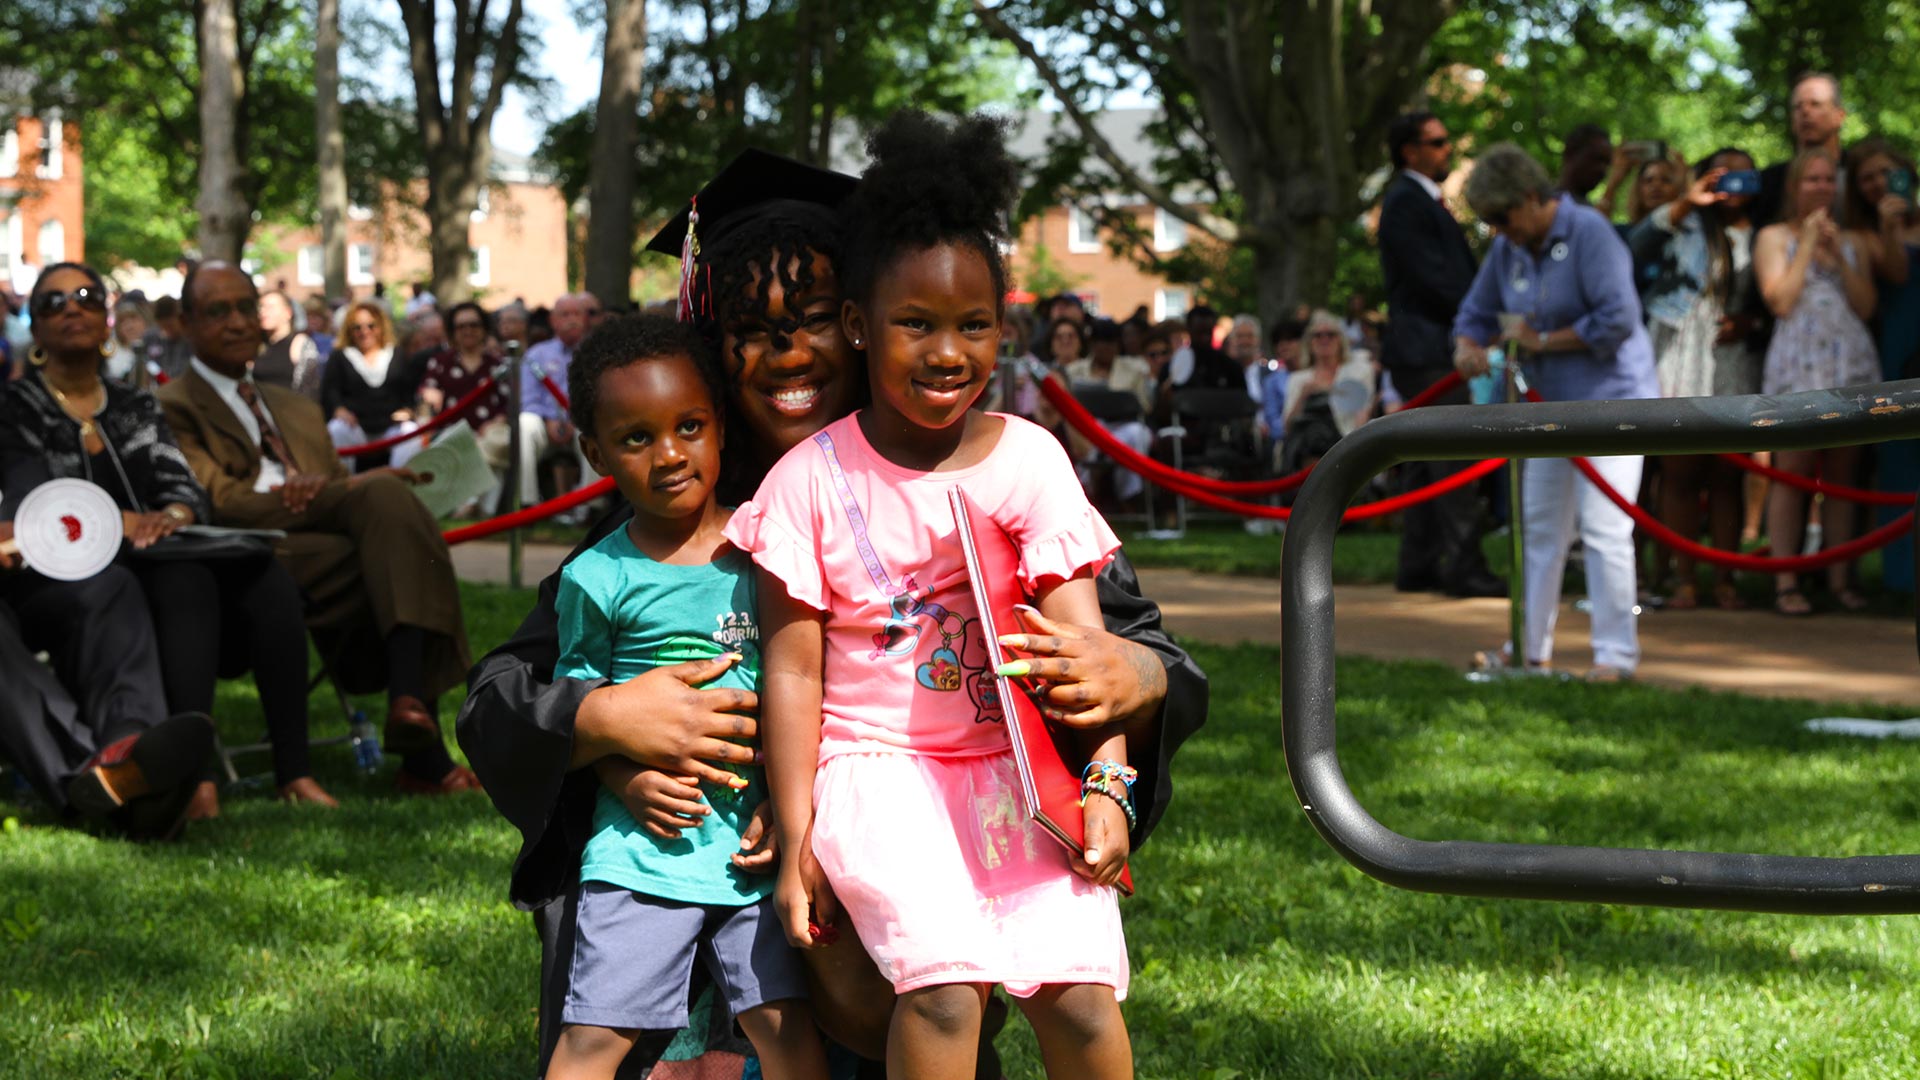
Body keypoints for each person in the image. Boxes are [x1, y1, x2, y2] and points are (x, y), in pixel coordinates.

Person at [457, 146, 1205, 1079]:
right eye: (752, 329)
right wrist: (601, 727)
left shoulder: (987, 473)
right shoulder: (666, 518)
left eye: (814, 322)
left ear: (858, 325)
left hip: (907, 891)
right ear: (709, 344)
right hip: (689, 881)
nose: (792, 354)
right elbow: (499, 696)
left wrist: (1134, 677)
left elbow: (1130, 643)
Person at [730, 109, 1132, 1080]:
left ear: (1006, 328)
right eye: (915, 324)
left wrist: (1109, 777)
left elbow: (1087, 653)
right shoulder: (810, 482)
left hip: (1016, 771)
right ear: (862, 326)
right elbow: (794, 672)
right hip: (879, 773)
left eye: (973, 325)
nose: (945, 352)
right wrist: (796, 837)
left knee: (1078, 993)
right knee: (945, 988)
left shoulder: (1029, 460)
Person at [546, 314, 827, 1080]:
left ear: (721, 429)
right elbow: (581, 709)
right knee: (594, 1040)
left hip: (753, 858)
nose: (670, 454)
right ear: (594, 452)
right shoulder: (594, 579)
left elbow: (807, 682)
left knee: (788, 1032)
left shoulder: (766, 549)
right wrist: (624, 777)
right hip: (642, 858)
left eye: (690, 426)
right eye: (636, 438)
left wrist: (786, 800)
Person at [1, 262, 336, 812]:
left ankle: (291, 769)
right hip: (63, 574)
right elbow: (33, 500)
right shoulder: (15, 409)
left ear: (107, 318)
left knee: (261, 574)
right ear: (34, 327)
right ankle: (174, 774)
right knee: (163, 582)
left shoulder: (134, 404)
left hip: (155, 552)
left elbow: (179, 484)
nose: (72, 309)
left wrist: (174, 513)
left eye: (85, 296)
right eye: (53, 302)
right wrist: (119, 520)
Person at [157, 262, 478, 794]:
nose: (238, 323)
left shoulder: (295, 406)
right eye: (219, 312)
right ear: (188, 323)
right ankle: (418, 738)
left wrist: (336, 491)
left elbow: (339, 496)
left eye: (246, 308)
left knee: (388, 508)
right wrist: (329, 492)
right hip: (251, 557)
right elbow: (218, 502)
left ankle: (408, 705)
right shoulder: (172, 406)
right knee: (399, 538)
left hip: (327, 552)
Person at [1453, 143, 1659, 681]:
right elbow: (1474, 311)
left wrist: (1544, 341)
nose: (1499, 230)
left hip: (1612, 400)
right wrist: (1466, 344)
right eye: (1489, 222)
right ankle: (1528, 647)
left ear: (1529, 197)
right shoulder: (1508, 249)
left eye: (1502, 217)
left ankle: (1615, 657)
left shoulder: (1590, 231)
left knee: (1605, 529)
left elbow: (1618, 318)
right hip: (1547, 408)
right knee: (1539, 528)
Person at [0, 462, 216, 841]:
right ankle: (100, 780)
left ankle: (128, 741)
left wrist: (24, 529)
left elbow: (26, 479)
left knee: (109, 587)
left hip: (18, 570)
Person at [1378, 110, 1506, 598]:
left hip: (1427, 346)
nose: (1446, 150)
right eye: (1437, 142)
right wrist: (1482, 312)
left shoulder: (1421, 201)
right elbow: (1433, 277)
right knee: (1451, 459)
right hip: (1426, 348)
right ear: (1410, 151)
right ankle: (1465, 565)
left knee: (1425, 460)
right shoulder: (1407, 202)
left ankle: (1420, 562)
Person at [1755, 148, 1881, 615]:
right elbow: (1780, 301)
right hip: (1798, 367)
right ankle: (1786, 581)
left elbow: (1867, 307)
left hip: (1851, 365)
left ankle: (1839, 579)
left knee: (1844, 474)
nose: (1822, 187)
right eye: (1812, 180)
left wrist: (1836, 256)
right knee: (1792, 473)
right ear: (1794, 187)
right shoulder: (1772, 236)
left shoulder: (1854, 240)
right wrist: (1807, 245)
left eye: (1829, 180)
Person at [1848, 138, 1920, 590]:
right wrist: (1891, 227)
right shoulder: (1868, 234)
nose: (1877, 183)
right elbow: (1897, 274)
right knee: (1898, 456)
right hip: (1899, 346)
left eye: (1884, 173)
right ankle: (1903, 582)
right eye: (1867, 178)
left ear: (1906, 172)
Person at [418, 301, 513, 517]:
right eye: (461, 327)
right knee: (481, 449)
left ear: (484, 329)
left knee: (496, 443)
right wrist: (427, 395)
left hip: (489, 431)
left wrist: (497, 420)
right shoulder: (441, 362)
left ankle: (470, 505)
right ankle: (483, 510)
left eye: (474, 325)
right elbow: (426, 391)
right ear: (452, 332)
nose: (468, 330)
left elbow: (509, 402)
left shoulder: (497, 364)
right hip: (452, 431)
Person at [320, 300, 426, 471]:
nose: (365, 332)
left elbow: (408, 390)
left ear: (381, 327)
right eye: (357, 327)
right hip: (355, 427)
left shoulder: (396, 354)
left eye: (371, 326)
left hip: (390, 426)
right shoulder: (340, 356)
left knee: (410, 432)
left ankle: (402, 486)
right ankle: (345, 488)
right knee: (336, 429)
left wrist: (407, 410)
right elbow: (330, 392)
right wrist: (339, 409)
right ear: (350, 330)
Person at [518, 292, 598, 508]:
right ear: (553, 321)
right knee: (524, 423)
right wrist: (549, 420)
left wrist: (574, 420)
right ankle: (527, 502)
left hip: (579, 421)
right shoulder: (537, 354)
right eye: (565, 314)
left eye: (577, 314)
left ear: (585, 319)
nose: (572, 319)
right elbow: (528, 399)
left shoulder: (597, 352)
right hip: (544, 423)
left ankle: (590, 506)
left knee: (594, 425)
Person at [1063, 318, 1154, 505]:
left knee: (1138, 433)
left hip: (1123, 429)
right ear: (1093, 345)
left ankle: (1129, 497)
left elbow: (1145, 407)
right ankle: (1085, 491)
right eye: (1102, 344)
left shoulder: (1135, 369)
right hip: (1089, 429)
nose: (1107, 349)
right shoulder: (1073, 371)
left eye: (1111, 344)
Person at [1277, 310, 1376, 480]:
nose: (1324, 339)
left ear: (1341, 340)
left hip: (1343, 443)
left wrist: (1330, 390)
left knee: (1318, 434)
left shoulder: (1359, 372)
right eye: (1318, 335)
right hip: (1304, 448)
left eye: (1331, 334)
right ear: (1309, 342)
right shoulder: (1298, 379)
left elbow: (1362, 416)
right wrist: (1303, 396)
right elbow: (1287, 427)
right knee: (1312, 433)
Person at [1752, 72, 1847, 228]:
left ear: (1839, 116)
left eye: (1815, 104)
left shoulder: (1861, 175)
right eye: (1797, 107)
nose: (1805, 112)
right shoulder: (1769, 181)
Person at [254, 289, 324, 401]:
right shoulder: (258, 346)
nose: (263, 312)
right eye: (260, 307)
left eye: (270, 307)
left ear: (287, 313)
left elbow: (310, 390)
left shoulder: (299, 343)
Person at [1557, 123, 1617, 208]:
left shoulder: (1588, 209)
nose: (1602, 169)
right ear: (1570, 153)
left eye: (1607, 164)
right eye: (1596, 159)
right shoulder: (1542, 205)